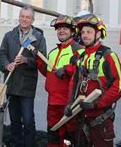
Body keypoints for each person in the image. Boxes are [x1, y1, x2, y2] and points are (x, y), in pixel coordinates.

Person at [66, 14, 121, 146]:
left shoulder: (108, 56)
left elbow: (120, 85)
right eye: (82, 32)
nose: (84, 35)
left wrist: (97, 104)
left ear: (98, 34)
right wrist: (69, 103)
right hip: (81, 119)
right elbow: (74, 82)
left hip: (100, 121)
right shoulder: (81, 57)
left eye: (89, 32)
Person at [0, 5, 47, 147]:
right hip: (12, 83)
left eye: (28, 17)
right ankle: (16, 144)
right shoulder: (9, 35)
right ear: (19, 17)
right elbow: (2, 54)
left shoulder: (38, 37)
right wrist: (7, 64)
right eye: (22, 16)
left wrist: (26, 60)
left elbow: (42, 60)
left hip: (27, 85)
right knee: (14, 120)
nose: (24, 19)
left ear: (32, 20)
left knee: (28, 120)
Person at [36, 15, 83, 147]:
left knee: (70, 137)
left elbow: (82, 70)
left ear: (72, 31)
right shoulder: (53, 52)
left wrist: (67, 69)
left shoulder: (78, 50)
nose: (61, 31)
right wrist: (39, 60)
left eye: (64, 28)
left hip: (68, 103)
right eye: (58, 29)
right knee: (53, 134)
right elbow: (48, 73)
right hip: (52, 102)